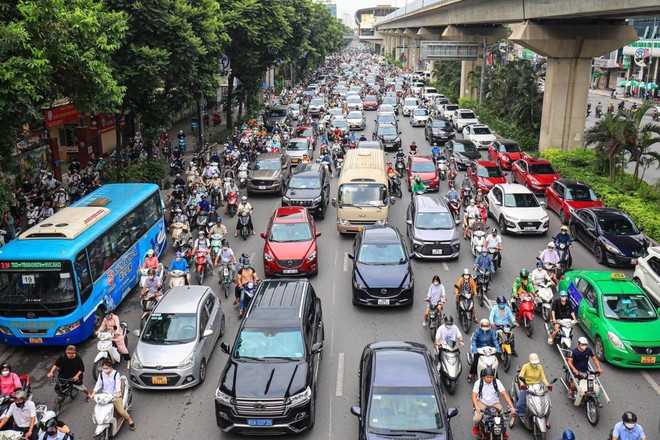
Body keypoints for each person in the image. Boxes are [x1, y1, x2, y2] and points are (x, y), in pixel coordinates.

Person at [89, 360, 135, 431]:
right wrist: (93, 393)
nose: (105, 370)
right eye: (103, 368)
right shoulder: (101, 374)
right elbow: (98, 384)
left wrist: (117, 393)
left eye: (106, 368)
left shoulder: (116, 374)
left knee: (121, 411)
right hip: (105, 395)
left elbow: (117, 384)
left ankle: (129, 419)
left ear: (110, 367)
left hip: (114, 395)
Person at [471, 367, 515, 437]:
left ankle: (502, 432)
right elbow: (474, 395)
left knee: (503, 419)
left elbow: (504, 394)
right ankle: (476, 427)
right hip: (482, 403)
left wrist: (512, 407)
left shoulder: (497, 382)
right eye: (487, 377)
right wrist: (476, 406)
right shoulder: (478, 382)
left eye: (491, 377)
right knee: (477, 418)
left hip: (495, 403)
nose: (489, 379)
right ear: (484, 376)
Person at [511, 353, 550, 428]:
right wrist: (522, 385)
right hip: (527, 386)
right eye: (533, 363)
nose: (535, 364)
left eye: (536, 363)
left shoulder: (540, 367)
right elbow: (521, 376)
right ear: (530, 361)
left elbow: (543, 377)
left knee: (546, 402)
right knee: (520, 403)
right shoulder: (526, 366)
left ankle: (546, 418)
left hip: (536, 387)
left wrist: (548, 385)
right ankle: (514, 417)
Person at [469, 319, 500, 383]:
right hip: (479, 350)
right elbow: (474, 341)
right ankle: (470, 374)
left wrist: (497, 347)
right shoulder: (477, 332)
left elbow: (494, 340)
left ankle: (495, 377)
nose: (485, 327)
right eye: (484, 325)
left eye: (486, 325)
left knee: (494, 363)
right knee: (475, 362)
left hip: (489, 350)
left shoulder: (491, 332)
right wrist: (474, 348)